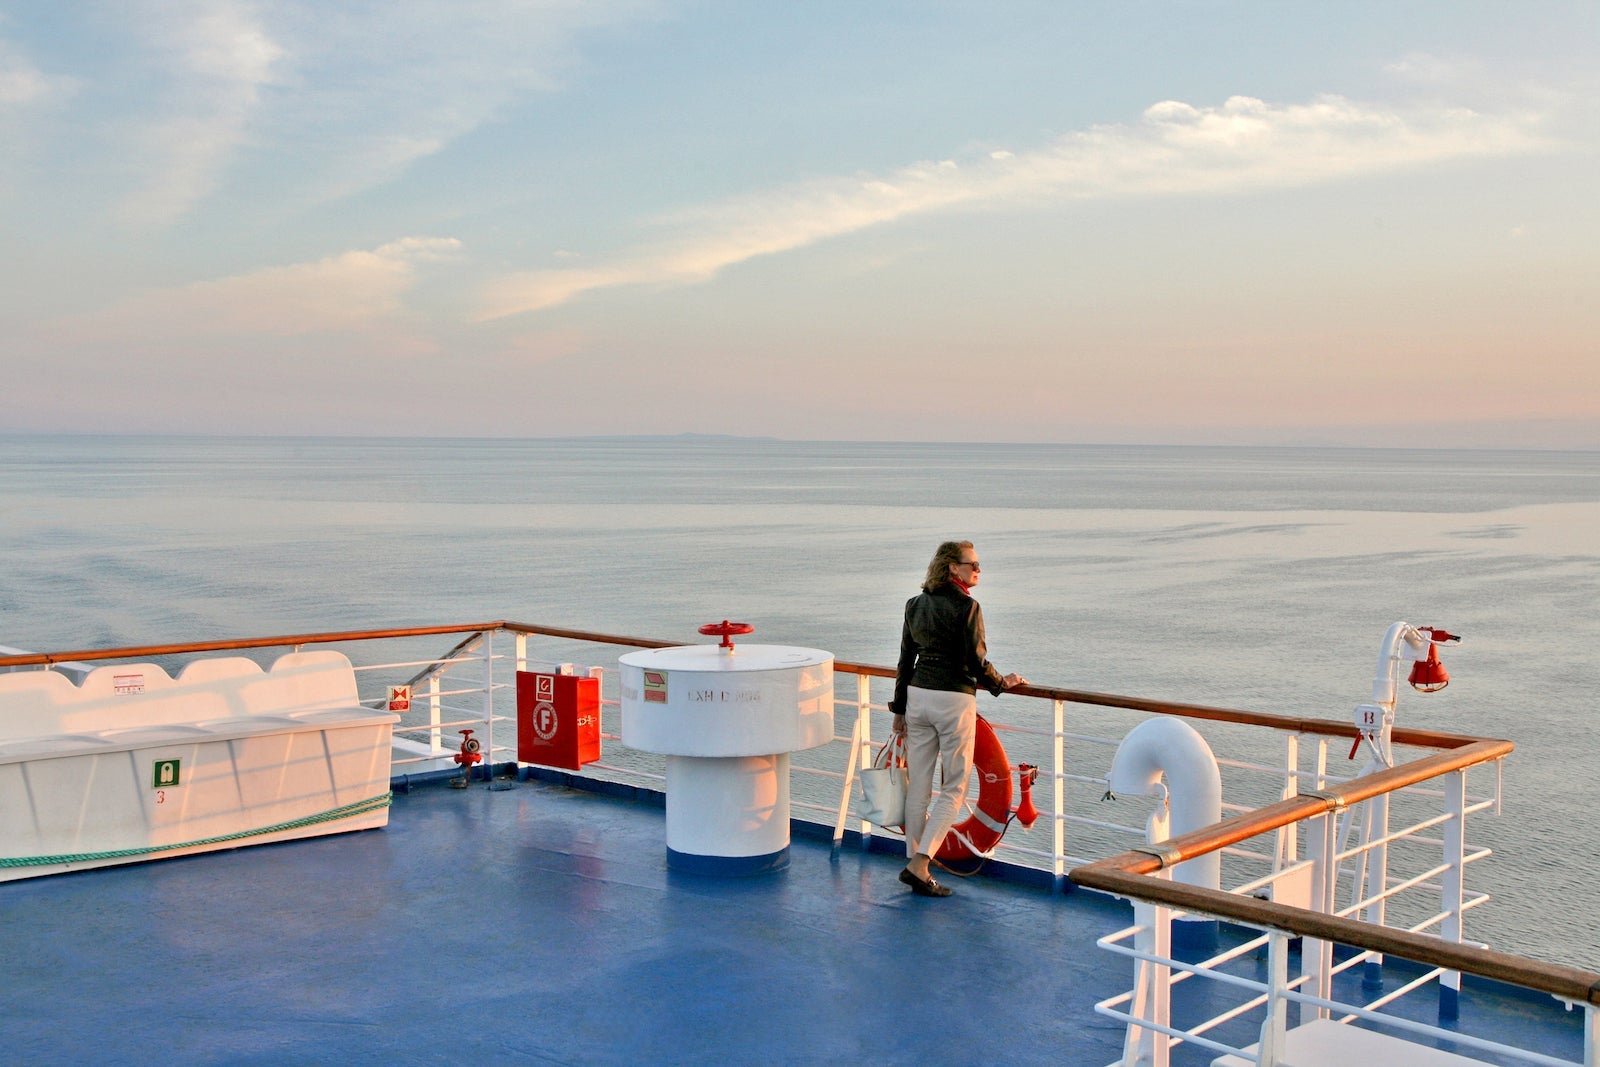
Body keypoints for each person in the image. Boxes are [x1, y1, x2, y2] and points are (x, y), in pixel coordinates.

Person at [889, 540, 1027, 897]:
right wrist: (1002, 682)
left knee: (918, 786)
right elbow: (976, 660)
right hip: (953, 700)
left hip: (918, 697)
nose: (978, 570)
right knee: (955, 787)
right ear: (953, 568)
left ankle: (912, 864)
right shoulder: (968, 606)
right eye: (973, 564)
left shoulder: (915, 605)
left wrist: (899, 708)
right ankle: (920, 864)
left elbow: (906, 660)